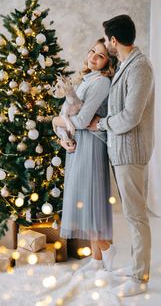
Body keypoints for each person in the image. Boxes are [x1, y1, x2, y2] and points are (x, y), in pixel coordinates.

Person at [88, 15, 155, 297]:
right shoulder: (126, 65)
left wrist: (101, 124)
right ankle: (137, 267)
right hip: (120, 151)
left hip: (131, 152)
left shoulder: (139, 68)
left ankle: (141, 279)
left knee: (137, 216)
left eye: (107, 40)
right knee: (131, 214)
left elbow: (130, 116)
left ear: (114, 41)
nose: (105, 45)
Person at [53, 38, 118, 274]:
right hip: (77, 146)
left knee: (88, 203)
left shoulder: (101, 83)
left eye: (100, 56)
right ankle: (97, 260)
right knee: (86, 201)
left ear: (107, 62)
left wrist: (55, 121)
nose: (93, 57)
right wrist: (62, 136)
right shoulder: (84, 80)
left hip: (91, 146)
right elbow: (68, 116)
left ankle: (108, 249)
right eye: (92, 51)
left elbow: (80, 121)